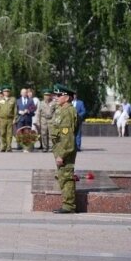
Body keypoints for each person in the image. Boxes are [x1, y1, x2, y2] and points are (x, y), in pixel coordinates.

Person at [51, 84, 78, 213]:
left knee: (66, 177)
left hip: (65, 150)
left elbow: (68, 138)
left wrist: (62, 154)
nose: (56, 97)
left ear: (66, 97)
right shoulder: (61, 109)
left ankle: (69, 206)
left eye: (59, 95)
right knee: (62, 176)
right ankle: (67, 203)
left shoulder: (67, 112)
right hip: (59, 148)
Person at [0, 86, 16, 152]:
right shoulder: (0, 100)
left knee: (9, 134)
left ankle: (9, 147)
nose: (6, 93)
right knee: (2, 133)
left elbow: (15, 109)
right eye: (5, 91)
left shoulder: (13, 99)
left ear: (10, 92)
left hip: (10, 119)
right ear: (3, 92)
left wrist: (14, 118)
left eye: (8, 91)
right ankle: (3, 146)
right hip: (2, 119)